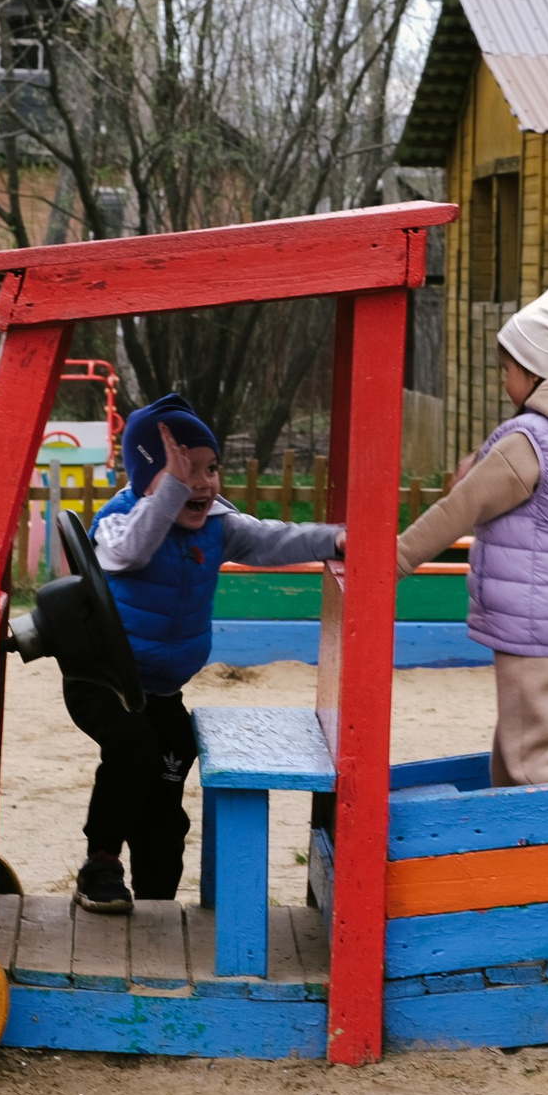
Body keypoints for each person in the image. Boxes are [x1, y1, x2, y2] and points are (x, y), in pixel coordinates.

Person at [68, 392, 343, 914]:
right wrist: (168, 491)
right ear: (145, 476)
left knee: (169, 786)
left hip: (161, 689)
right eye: (180, 469)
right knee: (133, 750)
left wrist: (337, 539)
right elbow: (134, 550)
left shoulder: (217, 525)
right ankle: (100, 863)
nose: (200, 482)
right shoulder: (120, 522)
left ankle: (154, 899)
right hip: (102, 678)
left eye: (209, 468)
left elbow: (273, 541)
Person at [394, 278, 548, 788]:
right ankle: (518, 855)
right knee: (515, 749)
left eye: (508, 370)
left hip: (535, 629)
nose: (505, 382)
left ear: (539, 371)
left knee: (536, 759)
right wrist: (486, 457)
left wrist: (398, 557)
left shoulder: (527, 443)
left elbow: (463, 506)